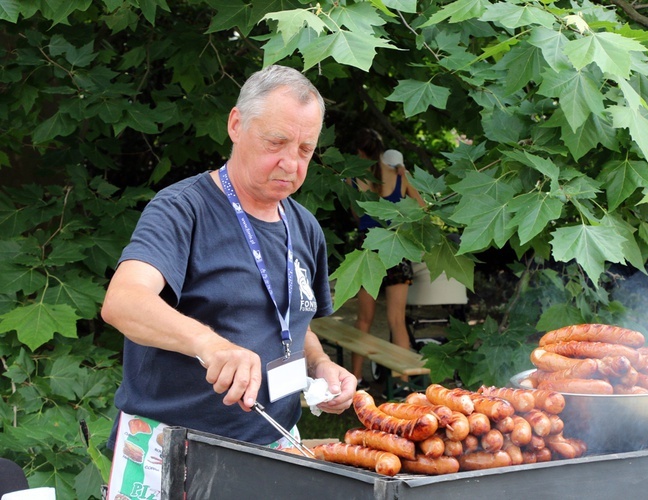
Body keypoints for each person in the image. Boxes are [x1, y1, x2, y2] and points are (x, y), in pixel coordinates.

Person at [101, 65, 356, 497]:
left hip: (275, 444)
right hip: (171, 448)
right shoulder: (182, 209)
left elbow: (293, 321)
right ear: (236, 125)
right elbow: (123, 301)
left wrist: (322, 366)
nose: (290, 163)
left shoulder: (305, 227)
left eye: (305, 150)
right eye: (276, 143)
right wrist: (212, 345)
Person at [349, 129, 425, 395]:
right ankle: (403, 382)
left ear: (360, 152)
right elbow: (422, 208)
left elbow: (357, 217)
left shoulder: (353, 178)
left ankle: (356, 380)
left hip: (368, 250)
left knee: (364, 320)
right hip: (397, 247)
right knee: (397, 320)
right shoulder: (400, 174)